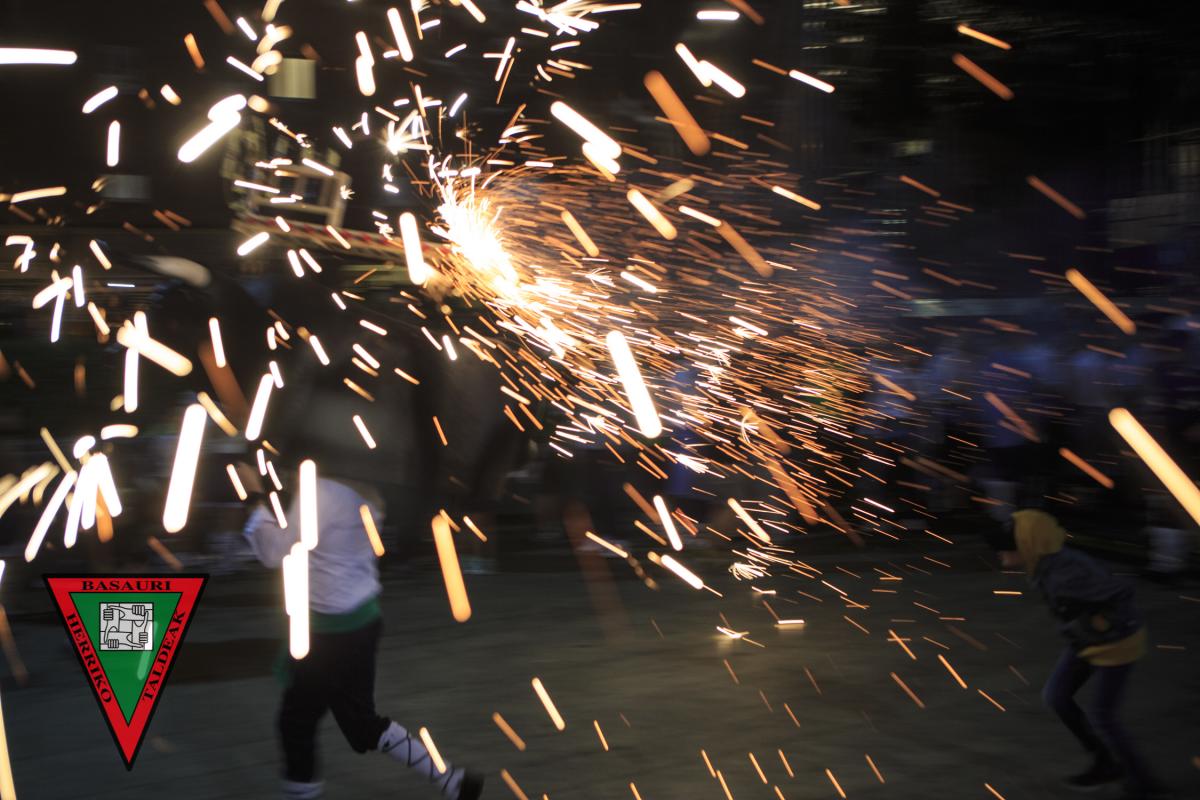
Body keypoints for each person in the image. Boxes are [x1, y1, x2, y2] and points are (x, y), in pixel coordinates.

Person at [239, 465, 485, 800]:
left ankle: (449, 780)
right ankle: (452, 781)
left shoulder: (322, 491)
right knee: (360, 723)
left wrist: (254, 498)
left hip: (329, 631)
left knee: (296, 723)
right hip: (362, 619)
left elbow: (274, 552)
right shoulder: (372, 485)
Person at [986, 506, 1168, 799]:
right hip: (1086, 641)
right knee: (1056, 697)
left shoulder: (1066, 572)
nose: (1000, 553)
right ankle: (1105, 762)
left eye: (1006, 547)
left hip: (1116, 643)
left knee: (1103, 716)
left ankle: (1145, 785)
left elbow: (1121, 591)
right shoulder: (1045, 565)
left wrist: (1101, 625)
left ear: (1028, 546)